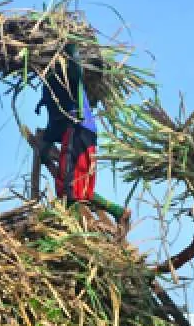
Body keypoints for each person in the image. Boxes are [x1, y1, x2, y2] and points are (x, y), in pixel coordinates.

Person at [34, 45, 131, 231]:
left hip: (78, 129)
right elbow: (53, 120)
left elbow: (76, 71)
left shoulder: (64, 76)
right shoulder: (51, 85)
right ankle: (119, 211)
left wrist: (70, 49)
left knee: (69, 188)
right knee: (79, 186)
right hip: (83, 131)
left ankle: (80, 227)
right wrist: (46, 143)